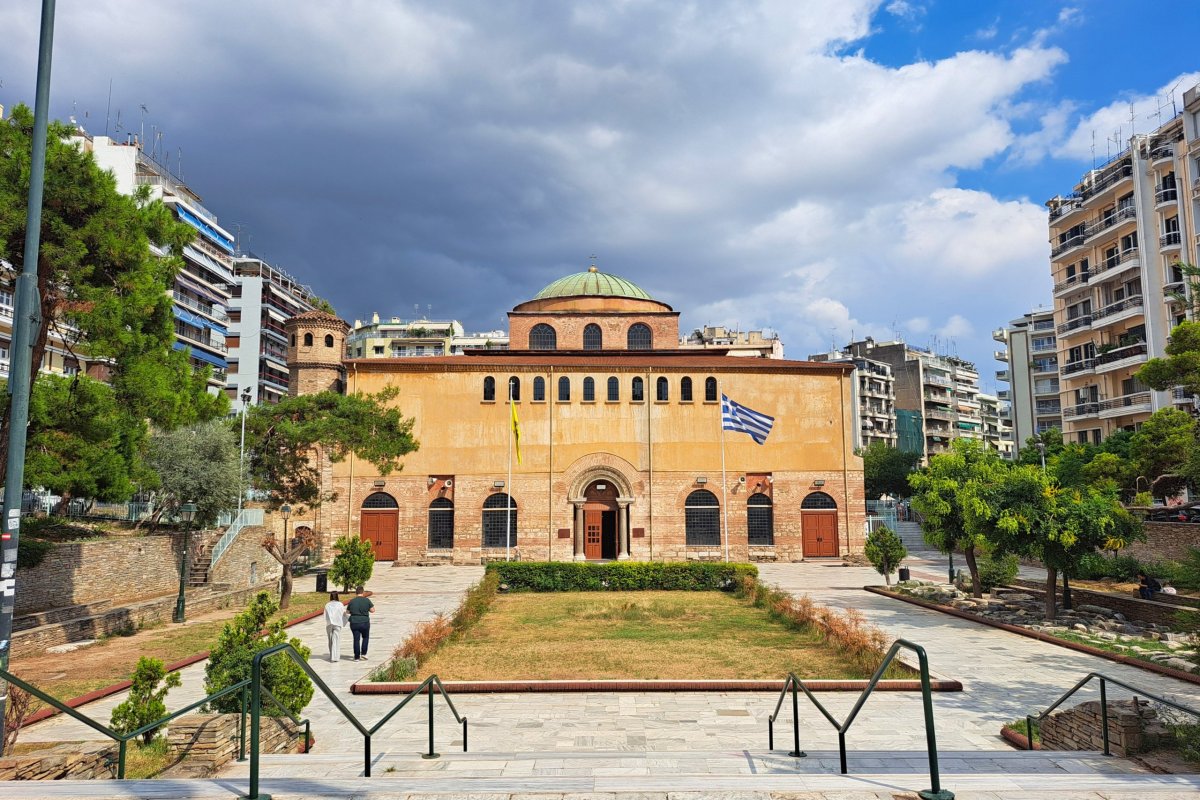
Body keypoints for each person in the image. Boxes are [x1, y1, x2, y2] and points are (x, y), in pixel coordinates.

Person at [347, 586, 375, 661]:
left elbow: (347, 612)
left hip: (354, 622)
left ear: (356, 593)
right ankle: (364, 653)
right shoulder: (366, 600)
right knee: (365, 637)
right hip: (364, 622)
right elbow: (372, 610)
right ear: (363, 592)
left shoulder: (352, 601)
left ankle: (356, 657)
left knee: (356, 639)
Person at [323, 591, 348, 662]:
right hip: (337, 624)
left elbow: (325, 615)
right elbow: (343, 614)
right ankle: (335, 657)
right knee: (336, 640)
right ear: (337, 596)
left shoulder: (327, 605)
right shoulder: (340, 604)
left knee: (330, 640)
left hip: (329, 624)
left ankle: (332, 655)